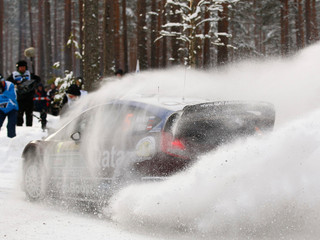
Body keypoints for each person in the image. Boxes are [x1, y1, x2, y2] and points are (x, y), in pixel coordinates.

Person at [7, 60, 41, 126]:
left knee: (29, 114)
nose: (22, 69)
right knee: (19, 114)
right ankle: (19, 128)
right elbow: (8, 82)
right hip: (19, 98)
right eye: (20, 67)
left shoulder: (30, 74)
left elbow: (38, 79)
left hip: (29, 97)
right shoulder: (14, 75)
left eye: (23, 67)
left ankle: (29, 127)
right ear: (18, 68)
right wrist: (16, 83)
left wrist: (32, 83)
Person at [0, 74, 19, 138]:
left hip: (12, 108)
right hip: (1, 108)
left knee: (11, 125)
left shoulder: (10, 85)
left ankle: (12, 139)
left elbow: (13, 97)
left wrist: (4, 91)